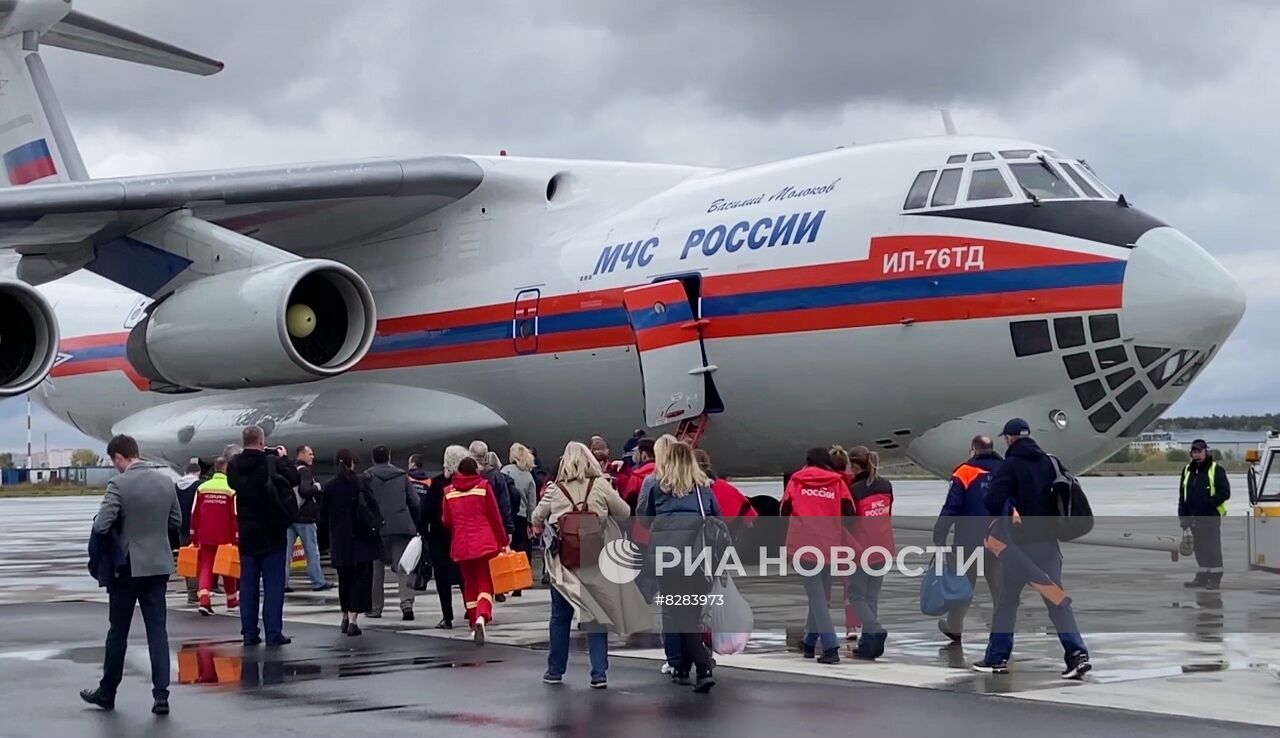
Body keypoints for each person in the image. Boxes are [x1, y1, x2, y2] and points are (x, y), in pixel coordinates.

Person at [973, 418, 1090, 679]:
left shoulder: (1010, 465)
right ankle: (1077, 654)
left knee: (1007, 603)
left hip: (1019, 547)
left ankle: (997, 657)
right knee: (1056, 599)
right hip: (1048, 543)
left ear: (1010, 439)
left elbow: (993, 501)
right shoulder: (1050, 461)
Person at [80, 434, 183, 716]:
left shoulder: (119, 484)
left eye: (115, 462)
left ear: (119, 458)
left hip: (126, 568)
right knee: (157, 632)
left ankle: (108, 692)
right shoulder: (165, 481)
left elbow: (102, 525)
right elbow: (176, 522)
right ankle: (161, 696)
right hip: (159, 566)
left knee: (118, 633)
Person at [530, 441, 631, 688]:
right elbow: (625, 511)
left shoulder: (556, 489)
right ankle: (598, 674)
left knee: (559, 617)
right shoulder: (600, 485)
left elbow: (536, 516)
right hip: (594, 559)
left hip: (562, 562)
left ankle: (554, 671)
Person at [646, 439, 721, 692]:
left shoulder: (657, 487)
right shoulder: (704, 489)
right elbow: (717, 517)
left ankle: (701, 667)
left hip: (669, 560)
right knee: (692, 613)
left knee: (680, 615)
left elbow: (645, 520)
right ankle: (688, 668)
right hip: (699, 559)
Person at [780, 447, 855, 664]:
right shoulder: (837, 482)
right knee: (821, 595)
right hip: (829, 542)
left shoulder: (796, 480)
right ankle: (810, 642)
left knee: (817, 597)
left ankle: (830, 646)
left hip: (803, 543)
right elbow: (850, 513)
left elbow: (784, 510)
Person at [228, 425, 300, 647]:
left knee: (248, 586)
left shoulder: (235, 465)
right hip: (272, 532)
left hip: (248, 533)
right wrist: (282, 458)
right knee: (273, 585)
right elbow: (295, 478)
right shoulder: (271, 463)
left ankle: (249, 633)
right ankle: (273, 632)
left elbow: (233, 484)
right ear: (261, 441)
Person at [933, 435, 1003, 642]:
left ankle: (954, 627)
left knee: (963, 587)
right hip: (999, 541)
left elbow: (952, 507)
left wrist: (940, 533)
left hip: (969, 541)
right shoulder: (1005, 470)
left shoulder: (964, 472)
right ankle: (1002, 632)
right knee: (1000, 591)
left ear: (973, 449)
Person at [442, 456, 509, 644]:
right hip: (485, 544)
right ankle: (482, 616)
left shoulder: (448, 492)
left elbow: (446, 520)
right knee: (485, 584)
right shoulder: (483, 487)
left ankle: (473, 624)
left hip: (462, 545)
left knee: (469, 585)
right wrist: (503, 541)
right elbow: (494, 517)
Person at [322, 449, 382, 636]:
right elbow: (372, 505)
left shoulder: (329, 486)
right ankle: (354, 620)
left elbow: (323, 515)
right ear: (352, 463)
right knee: (360, 580)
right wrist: (378, 523)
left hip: (340, 539)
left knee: (344, 580)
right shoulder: (361, 483)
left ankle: (344, 615)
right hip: (361, 538)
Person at [846, 446, 895, 661]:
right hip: (883, 546)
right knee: (871, 597)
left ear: (855, 465)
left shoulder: (854, 490)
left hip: (861, 548)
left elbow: (849, 522)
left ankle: (874, 629)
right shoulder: (886, 485)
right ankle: (867, 644)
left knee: (856, 595)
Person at [363, 445, 422, 620]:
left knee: (376, 570)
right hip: (401, 526)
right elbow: (414, 502)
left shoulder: (367, 477)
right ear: (389, 457)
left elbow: (363, 502)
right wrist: (416, 524)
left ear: (373, 459)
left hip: (376, 528)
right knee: (404, 567)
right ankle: (406, 605)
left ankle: (375, 608)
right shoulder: (402, 476)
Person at [425, 445, 469, 629]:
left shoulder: (436, 484)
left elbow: (425, 512)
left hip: (439, 537)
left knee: (442, 581)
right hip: (461, 536)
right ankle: (472, 610)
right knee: (465, 578)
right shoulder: (469, 483)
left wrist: (424, 533)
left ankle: (447, 617)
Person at [1179, 439, 1231, 590]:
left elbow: (1225, 493)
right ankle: (1202, 576)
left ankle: (1215, 578)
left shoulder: (1216, 469)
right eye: (1194, 452)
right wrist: (1183, 516)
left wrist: (1208, 504)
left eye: (1199, 452)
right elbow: (1183, 495)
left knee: (1212, 548)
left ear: (1206, 452)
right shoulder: (1187, 470)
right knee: (1199, 548)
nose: (1197, 455)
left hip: (1210, 517)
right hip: (1193, 517)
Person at [191, 456, 239, 616]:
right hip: (226, 536)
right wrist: (237, 537)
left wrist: (193, 536)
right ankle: (232, 601)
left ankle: (204, 600)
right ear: (227, 469)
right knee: (227, 567)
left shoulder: (203, 488)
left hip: (205, 534)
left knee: (206, 567)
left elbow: (195, 514)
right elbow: (235, 516)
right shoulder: (231, 489)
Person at [285, 445, 332, 593]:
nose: (312, 457)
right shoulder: (304, 471)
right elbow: (305, 490)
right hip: (305, 519)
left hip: (290, 517)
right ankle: (318, 582)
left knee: (286, 554)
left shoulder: (290, 470)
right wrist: (317, 488)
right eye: (310, 454)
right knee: (312, 552)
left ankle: (283, 583)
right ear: (302, 454)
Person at [501, 443, 539, 597]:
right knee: (522, 550)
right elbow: (532, 502)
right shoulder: (528, 476)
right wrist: (532, 522)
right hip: (522, 516)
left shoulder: (505, 471)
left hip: (507, 516)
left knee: (506, 550)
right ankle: (520, 583)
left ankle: (504, 583)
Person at [174, 460, 203, 605]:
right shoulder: (198, 486)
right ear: (198, 472)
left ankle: (191, 590)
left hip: (182, 529)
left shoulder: (176, 487)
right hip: (196, 529)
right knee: (199, 561)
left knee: (187, 560)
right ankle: (196, 592)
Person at [622, 438, 656, 513]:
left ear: (643, 455)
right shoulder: (663, 472)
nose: (634, 455)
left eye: (637, 452)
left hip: (639, 521)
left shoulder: (636, 476)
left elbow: (626, 503)